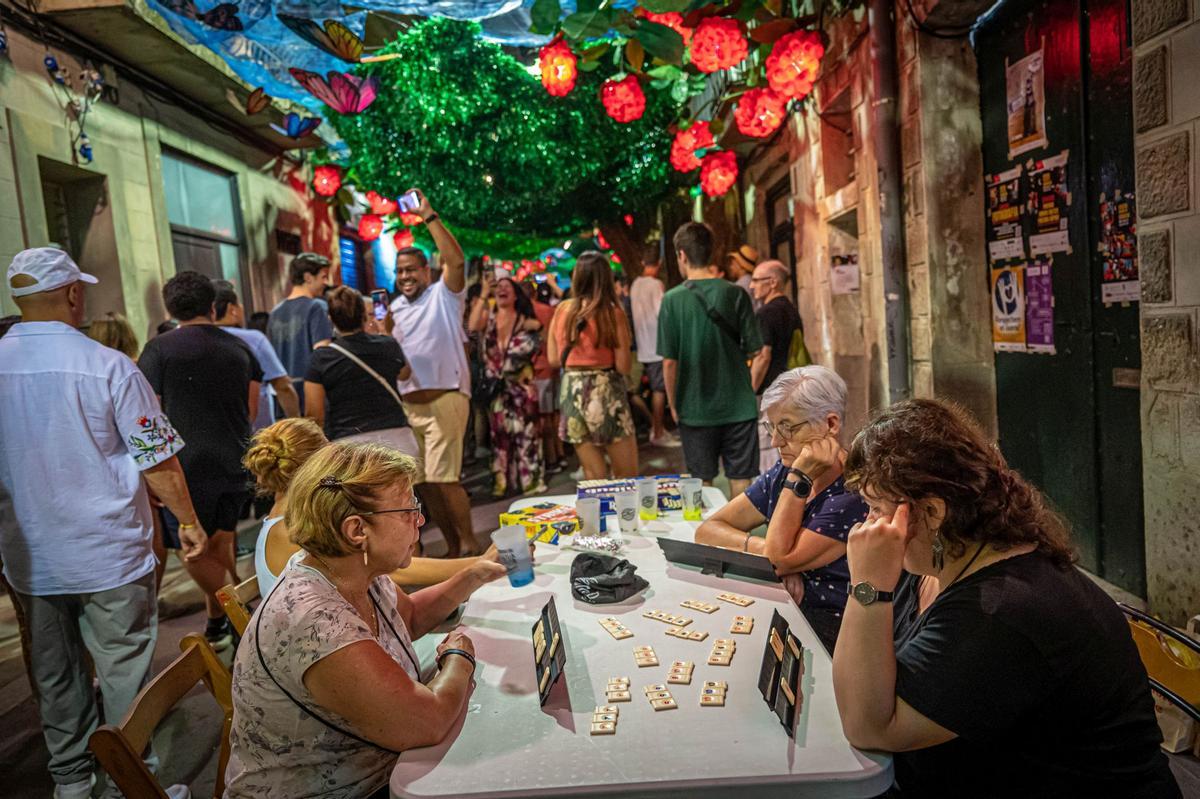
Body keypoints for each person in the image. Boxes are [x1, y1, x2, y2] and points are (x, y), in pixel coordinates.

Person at [833, 399, 1181, 799]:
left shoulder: (1002, 611)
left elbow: (867, 725)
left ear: (932, 511)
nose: (869, 527)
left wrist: (868, 587)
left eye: (877, 508)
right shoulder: (939, 561)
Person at [0, 248, 206, 799]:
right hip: (109, 551)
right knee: (125, 674)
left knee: (54, 674)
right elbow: (157, 461)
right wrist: (188, 522)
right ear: (72, 294)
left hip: (30, 555)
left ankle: (70, 781)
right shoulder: (109, 365)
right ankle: (130, 780)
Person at [225, 441, 505, 798]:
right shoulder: (315, 621)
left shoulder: (351, 571)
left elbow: (411, 617)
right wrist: (459, 657)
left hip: (383, 772)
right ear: (357, 530)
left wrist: (472, 577)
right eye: (408, 510)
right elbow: (428, 722)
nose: (419, 520)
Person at [695, 366, 865, 652]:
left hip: (830, 633)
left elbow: (776, 558)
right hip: (785, 608)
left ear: (831, 424)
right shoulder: (784, 470)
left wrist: (798, 480)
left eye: (787, 427)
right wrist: (775, 561)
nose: (775, 441)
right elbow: (707, 530)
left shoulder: (851, 494)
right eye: (771, 427)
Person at [243, 418, 511, 596]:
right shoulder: (297, 529)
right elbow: (388, 568)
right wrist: (478, 563)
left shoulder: (288, 520)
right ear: (320, 461)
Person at [138, 271, 263, 650]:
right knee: (221, 543)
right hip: (235, 458)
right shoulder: (241, 349)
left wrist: (152, 471)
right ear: (213, 306)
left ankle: (247, 618)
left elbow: (148, 415)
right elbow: (252, 410)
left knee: (192, 550)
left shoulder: (158, 351)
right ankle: (217, 621)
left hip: (184, 466)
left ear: (170, 308)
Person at [386, 189, 479, 557]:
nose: (405, 276)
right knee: (424, 484)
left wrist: (428, 215)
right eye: (400, 271)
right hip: (411, 407)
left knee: (445, 478)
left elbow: (456, 262)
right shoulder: (392, 308)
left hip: (447, 396)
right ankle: (454, 545)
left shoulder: (444, 295)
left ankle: (470, 544)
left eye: (412, 270)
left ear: (427, 271)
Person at [658, 222, 762, 497]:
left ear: (681, 255)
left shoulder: (671, 300)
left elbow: (669, 362)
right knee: (741, 481)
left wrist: (673, 404)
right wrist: (746, 390)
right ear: (713, 252)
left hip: (694, 407)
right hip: (739, 406)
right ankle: (739, 540)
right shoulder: (736, 293)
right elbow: (756, 351)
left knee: (701, 484)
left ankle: (708, 538)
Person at [547, 252, 637, 479]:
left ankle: (598, 515)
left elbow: (554, 359)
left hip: (571, 392)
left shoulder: (562, 311)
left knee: (593, 476)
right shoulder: (612, 313)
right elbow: (624, 366)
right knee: (626, 476)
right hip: (605, 391)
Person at [305, 285, 417, 457]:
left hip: (350, 445)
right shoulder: (388, 345)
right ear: (364, 316)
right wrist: (385, 331)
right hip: (397, 438)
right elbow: (405, 374)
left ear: (331, 319)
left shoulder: (322, 358)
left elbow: (314, 414)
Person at [468, 275, 544, 496]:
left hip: (522, 389)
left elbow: (541, 339)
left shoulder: (526, 321)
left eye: (506, 287)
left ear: (515, 294)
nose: (501, 289)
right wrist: (483, 294)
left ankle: (530, 481)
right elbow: (472, 325)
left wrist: (531, 368)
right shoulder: (488, 319)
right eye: (497, 287)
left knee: (527, 435)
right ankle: (504, 482)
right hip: (498, 391)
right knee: (500, 436)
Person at [214, 280, 300, 431]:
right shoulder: (253, 339)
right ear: (231, 309)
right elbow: (282, 386)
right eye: (239, 303)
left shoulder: (190, 341)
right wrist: (297, 424)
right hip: (257, 433)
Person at [749, 260, 802, 471]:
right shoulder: (790, 309)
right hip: (788, 389)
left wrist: (750, 390)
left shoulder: (766, 313)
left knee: (769, 448)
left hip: (770, 392)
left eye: (755, 280)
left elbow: (763, 355)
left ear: (772, 282)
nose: (751, 285)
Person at [267, 252, 333, 415]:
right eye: (323, 277)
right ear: (308, 277)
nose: (326, 282)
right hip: (313, 399)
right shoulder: (316, 307)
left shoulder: (275, 312)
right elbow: (322, 353)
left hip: (284, 402)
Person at [630, 244, 675, 446]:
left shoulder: (635, 285)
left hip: (643, 344)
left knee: (652, 389)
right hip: (657, 345)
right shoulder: (655, 285)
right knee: (659, 390)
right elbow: (663, 314)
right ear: (658, 264)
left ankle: (658, 429)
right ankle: (658, 432)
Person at [529, 277, 565, 473]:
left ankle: (550, 458)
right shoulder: (550, 311)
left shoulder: (526, 314)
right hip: (552, 366)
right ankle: (559, 454)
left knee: (544, 417)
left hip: (537, 369)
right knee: (555, 413)